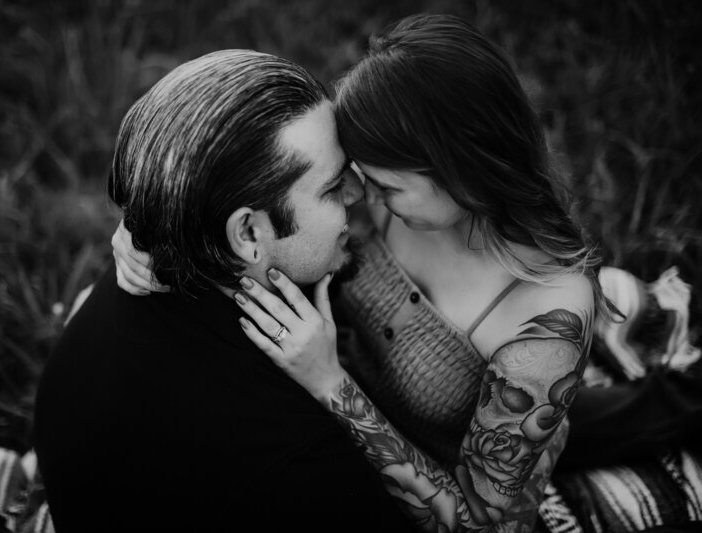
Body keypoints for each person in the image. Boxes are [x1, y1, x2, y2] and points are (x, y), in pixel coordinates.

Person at [112, 14, 608, 533]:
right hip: (364, 448)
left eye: (386, 186)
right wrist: (150, 223)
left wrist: (330, 383)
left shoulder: (545, 314)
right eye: (354, 178)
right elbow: (255, 186)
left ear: (460, 171)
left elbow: (474, 523)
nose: (360, 197)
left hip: (433, 491)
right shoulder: (387, 193)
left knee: (599, 424)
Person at [34, 49, 417, 532]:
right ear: (248, 236)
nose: (358, 194)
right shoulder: (299, 463)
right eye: (330, 188)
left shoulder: (139, 271)